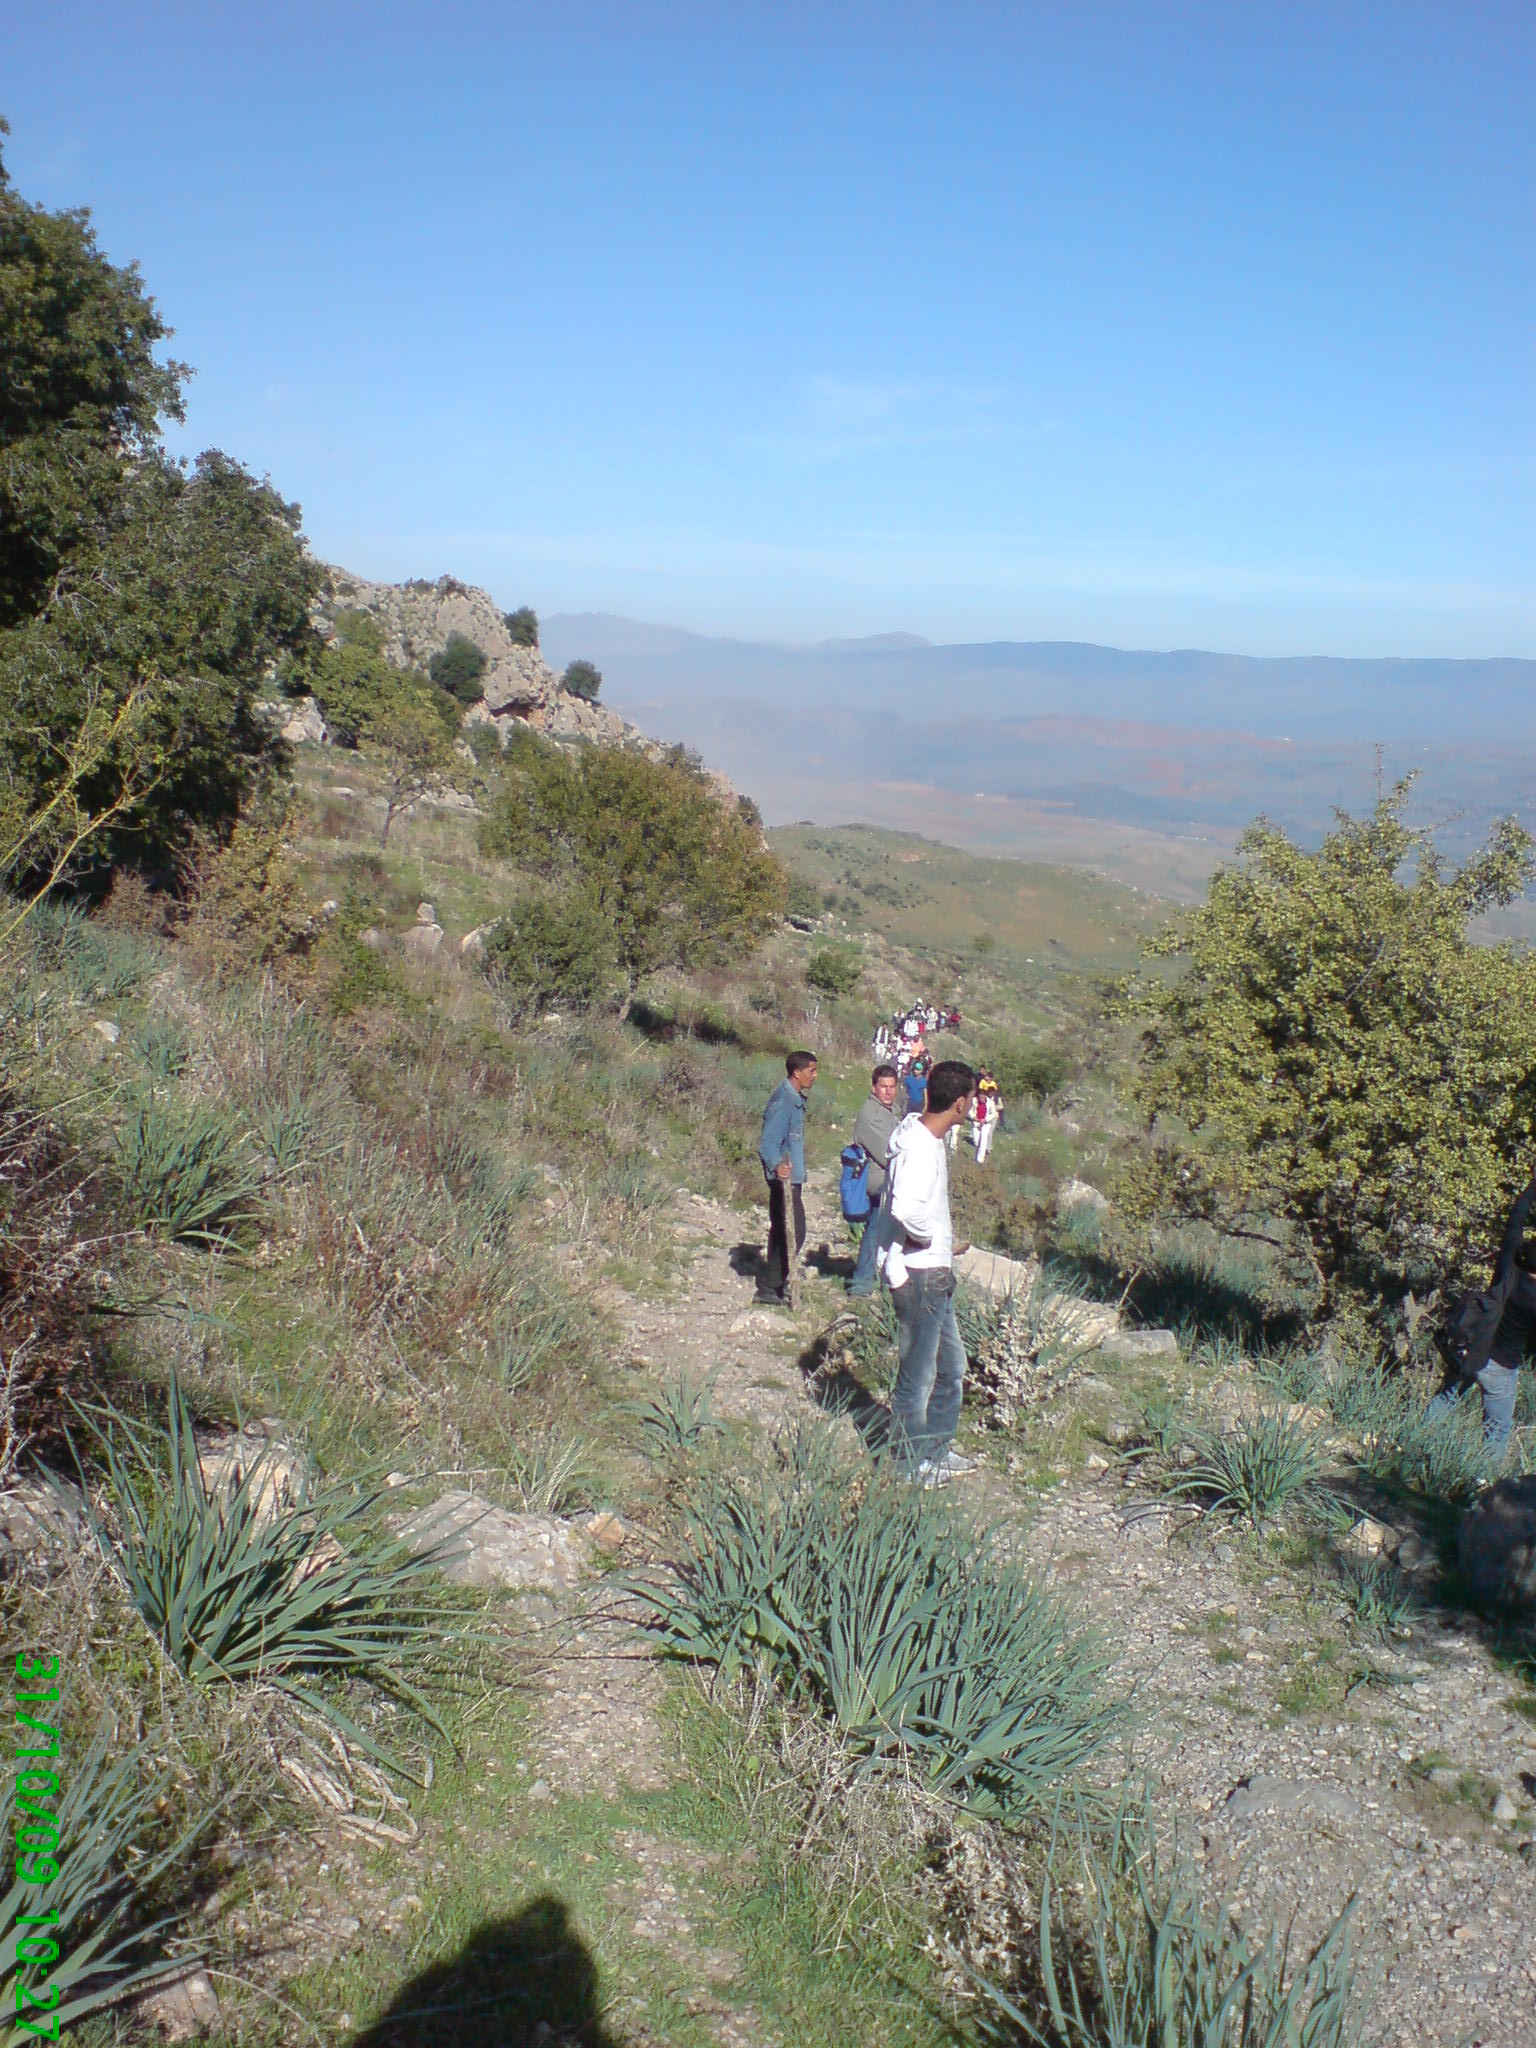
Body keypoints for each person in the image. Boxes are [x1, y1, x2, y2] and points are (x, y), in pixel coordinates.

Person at [879, 1060, 977, 1486]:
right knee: (918, 1376)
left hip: (935, 1272)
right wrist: (928, 1237)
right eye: (970, 1098)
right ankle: (907, 1465)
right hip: (921, 1276)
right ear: (960, 1103)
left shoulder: (925, 1138)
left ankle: (935, 1450)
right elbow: (904, 1208)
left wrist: (939, 1242)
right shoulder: (920, 1148)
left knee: (952, 1367)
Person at [1427, 1174, 1536, 1461]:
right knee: (1497, 1430)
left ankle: (1412, 1446)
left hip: (1474, 1348)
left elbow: (1516, 1220)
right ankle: (1484, 1480)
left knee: (1446, 1398)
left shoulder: (1509, 1268)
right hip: (1502, 1367)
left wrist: (1533, 1185)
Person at [758, 1050, 817, 1301]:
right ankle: (769, 1286)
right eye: (811, 1071)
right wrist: (776, 1165)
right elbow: (767, 1143)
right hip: (784, 1181)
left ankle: (774, 1287)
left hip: (791, 1178)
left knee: (781, 1230)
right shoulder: (783, 1102)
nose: (815, 1076)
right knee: (795, 1231)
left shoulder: (795, 1099)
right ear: (797, 1072)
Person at [847, 1064, 901, 1297]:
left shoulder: (889, 1110)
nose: (888, 1091)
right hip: (877, 1180)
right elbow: (886, 1153)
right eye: (883, 1086)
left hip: (887, 1179)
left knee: (883, 1230)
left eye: (892, 1087)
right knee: (876, 1230)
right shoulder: (871, 1114)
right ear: (874, 1087)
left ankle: (880, 1277)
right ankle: (861, 1283)